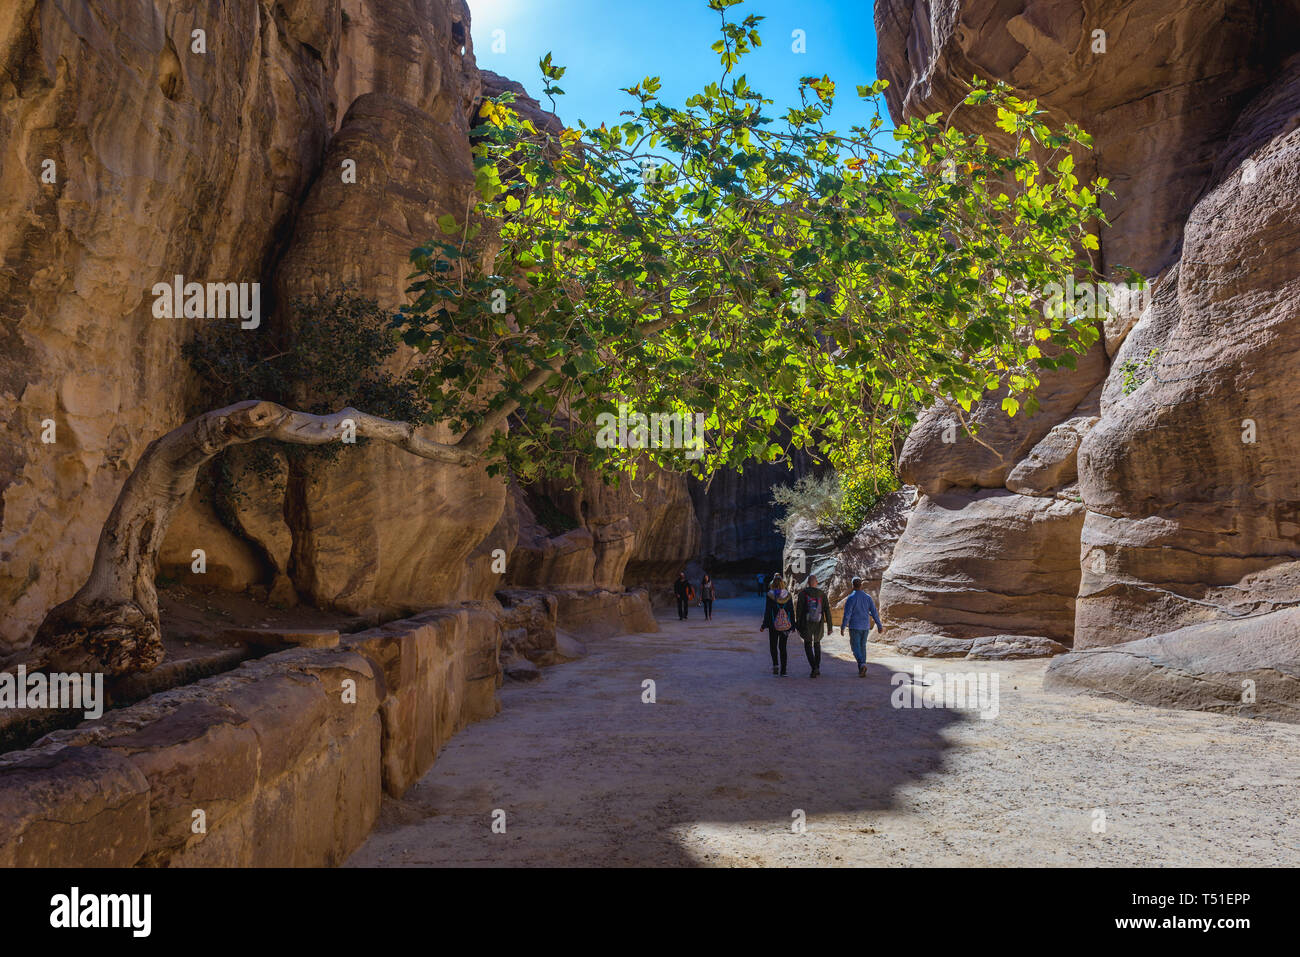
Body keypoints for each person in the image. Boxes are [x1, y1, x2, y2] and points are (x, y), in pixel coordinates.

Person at [840, 577, 884, 677]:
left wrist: (843, 626)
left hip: (855, 626)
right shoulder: (868, 597)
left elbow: (847, 614)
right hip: (865, 627)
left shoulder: (851, 598)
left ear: (852, 585)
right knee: (862, 646)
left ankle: (862, 664)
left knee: (855, 648)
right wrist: (879, 625)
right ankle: (862, 668)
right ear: (861, 585)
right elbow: (874, 612)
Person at [795, 574, 831, 678]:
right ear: (817, 583)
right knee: (817, 644)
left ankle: (813, 667)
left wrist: (798, 625)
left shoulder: (802, 594)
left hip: (806, 623)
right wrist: (829, 627)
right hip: (818, 623)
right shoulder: (822, 594)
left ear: (807, 583)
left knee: (807, 644)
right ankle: (817, 667)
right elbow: (827, 610)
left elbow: (799, 611)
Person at [760, 575, 796, 676]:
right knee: (783, 647)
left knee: (773, 646)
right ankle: (783, 671)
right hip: (785, 625)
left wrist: (764, 625)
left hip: (773, 625)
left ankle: (776, 665)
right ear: (782, 584)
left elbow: (768, 611)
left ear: (772, 584)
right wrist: (793, 625)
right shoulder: (788, 595)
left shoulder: (770, 595)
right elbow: (791, 611)